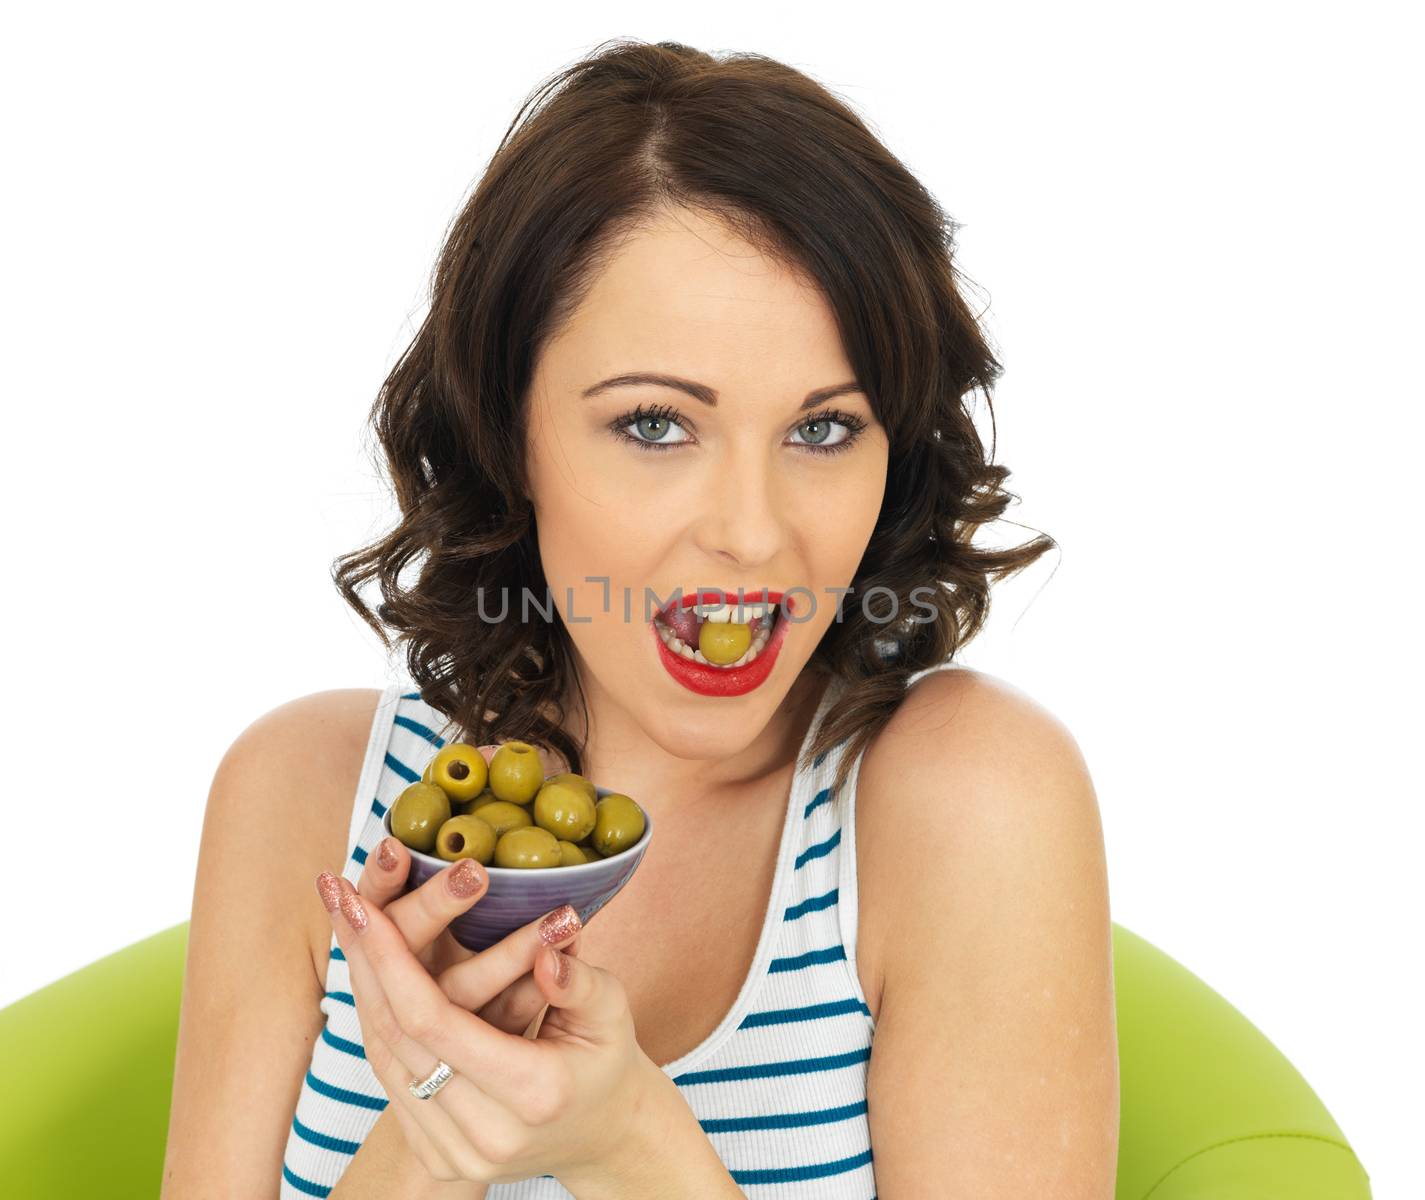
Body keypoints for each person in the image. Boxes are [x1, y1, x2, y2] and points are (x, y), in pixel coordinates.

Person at [161, 37, 1119, 1199]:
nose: (753, 534)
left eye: (822, 428)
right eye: (657, 425)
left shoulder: (964, 805)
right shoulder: (304, 801)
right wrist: (432, 1134)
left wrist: (627, 1147)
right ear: (509, 433)